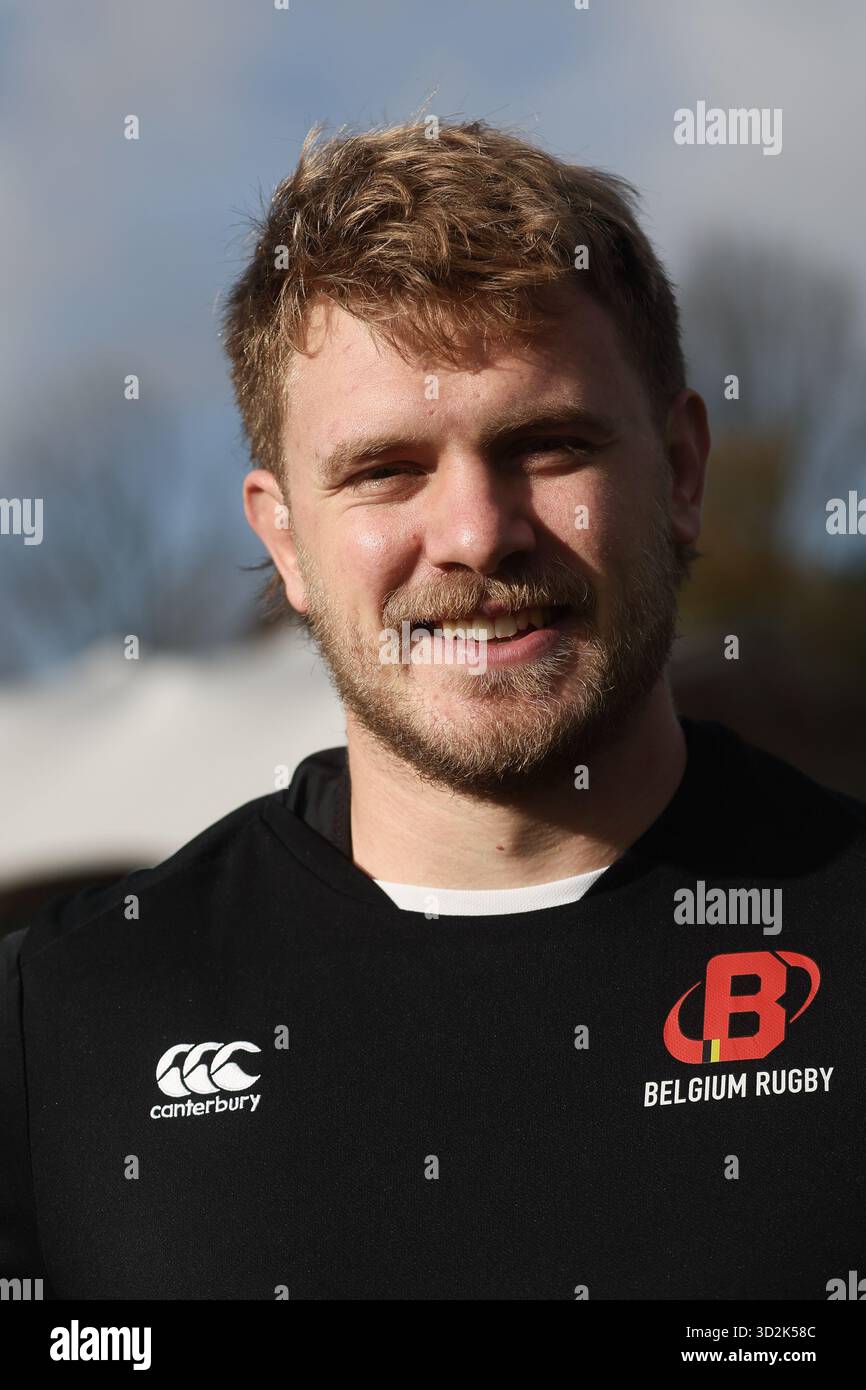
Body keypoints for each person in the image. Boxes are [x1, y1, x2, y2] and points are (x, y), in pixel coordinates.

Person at [2, 120, 864, 1302]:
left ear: (676, 471)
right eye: (384, 469)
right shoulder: (56, 1028)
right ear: (283, 537)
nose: (472, 533)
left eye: (546, 445)